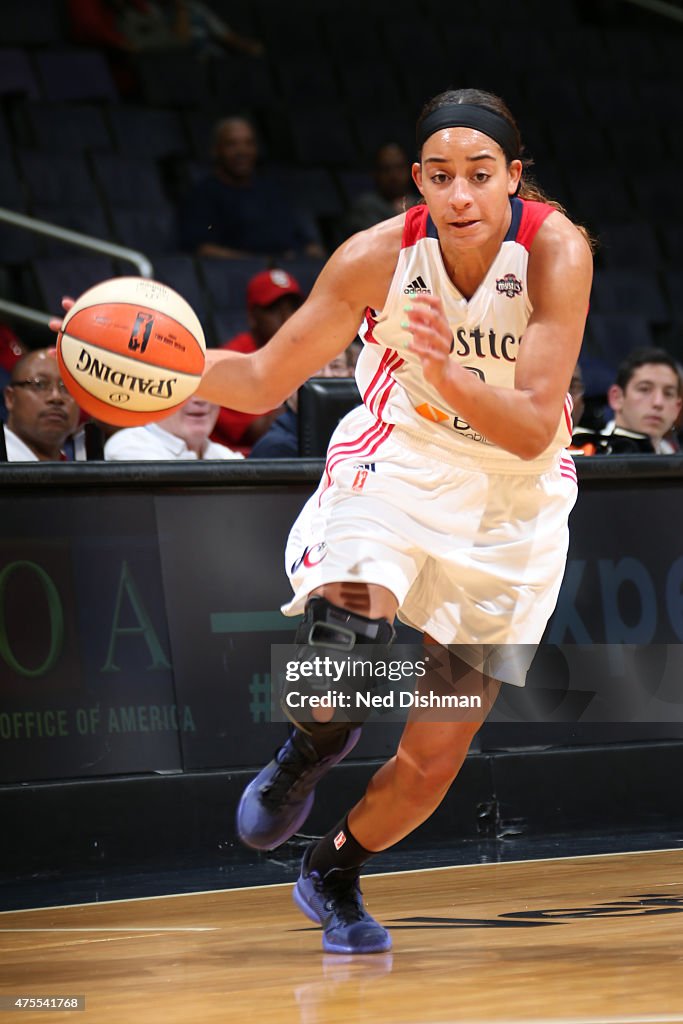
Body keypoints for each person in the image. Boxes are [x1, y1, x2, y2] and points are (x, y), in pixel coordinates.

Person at [57, 87, 594, 953]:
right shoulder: (373, 257)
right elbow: (265, 378)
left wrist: (443, 370)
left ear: (514, 179)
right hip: (400, 462)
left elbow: (533, 423)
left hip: (514, 502)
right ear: (417, 180)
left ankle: (332, 868)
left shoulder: (557, 251)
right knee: (349, 625)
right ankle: (310, 750)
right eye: (442, 177)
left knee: (431, 765)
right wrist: (137, 365)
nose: (460, 196)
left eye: (481, 176)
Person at [178, 117, 325, 260]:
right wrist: (262, 263)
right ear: (216, 150)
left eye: (249, 144)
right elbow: (204, 250)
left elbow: (305, 243)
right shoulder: (203, 195)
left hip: (286, 274)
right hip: (237, 276)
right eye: (231, 144)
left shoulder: (271, 191)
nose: (242, 151)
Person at [212, 269, 304, 453]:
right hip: (243, 469)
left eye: (293, 308)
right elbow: (258, 431)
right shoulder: (229, 361)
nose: (287, 318)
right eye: (274, 309)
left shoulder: (304, 351)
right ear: (253, 317)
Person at [249, 347, 358, 458]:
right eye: (316, 367)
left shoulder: (359, 433)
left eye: (336, 367)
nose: (327, 375)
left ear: (351, 373)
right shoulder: (276, 448)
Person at [571, 347, 682, 454]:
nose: (658, 403)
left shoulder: (674, 454)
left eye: (668, 394)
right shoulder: (580, 448)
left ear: (678, 407)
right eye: (644, 389)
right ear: (617, 398)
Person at [103, 396, 243, 460]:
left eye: (209, 389)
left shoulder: (225, 456)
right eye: (187, 389)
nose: (201, 400)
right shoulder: (128, 445)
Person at [2, 349, 80, 461]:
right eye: (40, 384)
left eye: (67, 387)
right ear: (10, 398)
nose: (56, 397)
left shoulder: (82, 463)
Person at [340, 142, 421, 239]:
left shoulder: (422, 203)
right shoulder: (366, 206)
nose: (394, 175)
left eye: (399, 167)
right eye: (386, 169)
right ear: (375, 173)